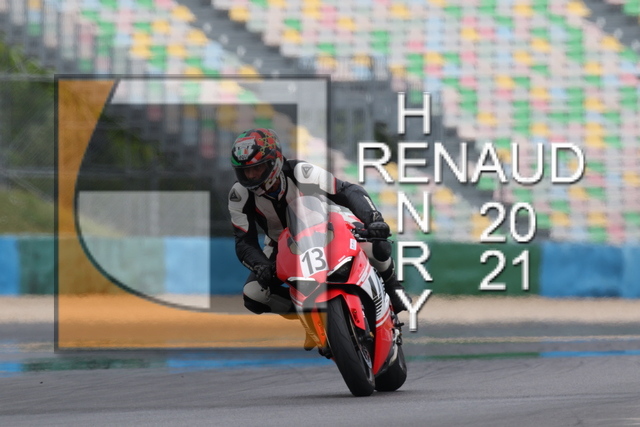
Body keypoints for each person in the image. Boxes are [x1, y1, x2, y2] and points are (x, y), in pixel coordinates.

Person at [228, 128, 409, 347]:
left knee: (377, 246)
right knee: (253, 295)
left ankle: (393, 286)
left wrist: (373, 219)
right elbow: (244, 241)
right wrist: (261, 265)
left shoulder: (301, 171)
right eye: (246, 171)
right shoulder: (239, 195)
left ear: (274, 162)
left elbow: (347, 191)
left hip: (329, 224)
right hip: (281, 244)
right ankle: (311, 317)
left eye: (257, 168)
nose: (251, 176)